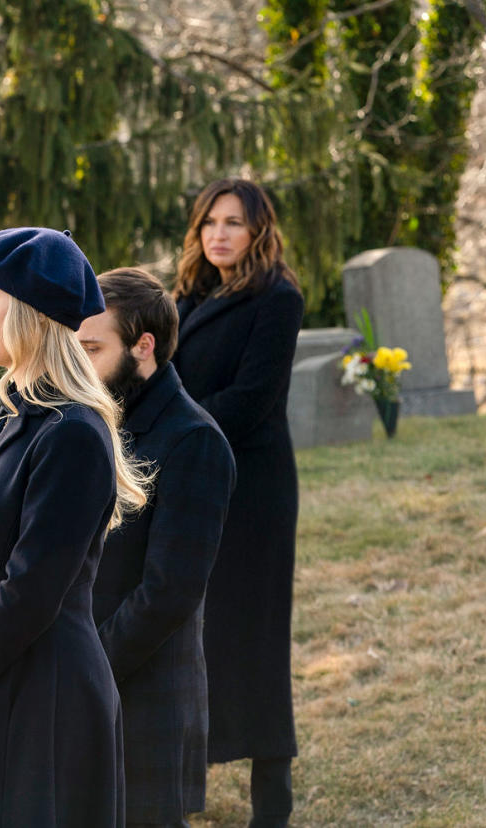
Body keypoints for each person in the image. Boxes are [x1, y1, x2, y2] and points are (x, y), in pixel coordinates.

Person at [0, 227, 152, 827]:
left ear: (31, 313)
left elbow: (29, 592)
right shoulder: (15, 414)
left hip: (45, 702)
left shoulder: (72, 432)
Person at [77, 267, 237, 827]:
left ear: (143, 347)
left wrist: (85, 670)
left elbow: (169, 593)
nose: (77, 364)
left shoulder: (194, 441)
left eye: (92, 348)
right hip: (83, 689)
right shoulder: (92, 420)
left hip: (144, 700)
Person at [170, 179, 305, 827]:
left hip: (253, 491)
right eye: (209, 223)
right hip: (190, 483)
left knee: (252, 636)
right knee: (188, 633)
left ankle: (271, 793)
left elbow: (251, 401)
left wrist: (171, 432)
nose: (219, 234)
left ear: (258, 231)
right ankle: (180, 770)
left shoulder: (277, 298)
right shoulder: (184, 298)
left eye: (234, 223)